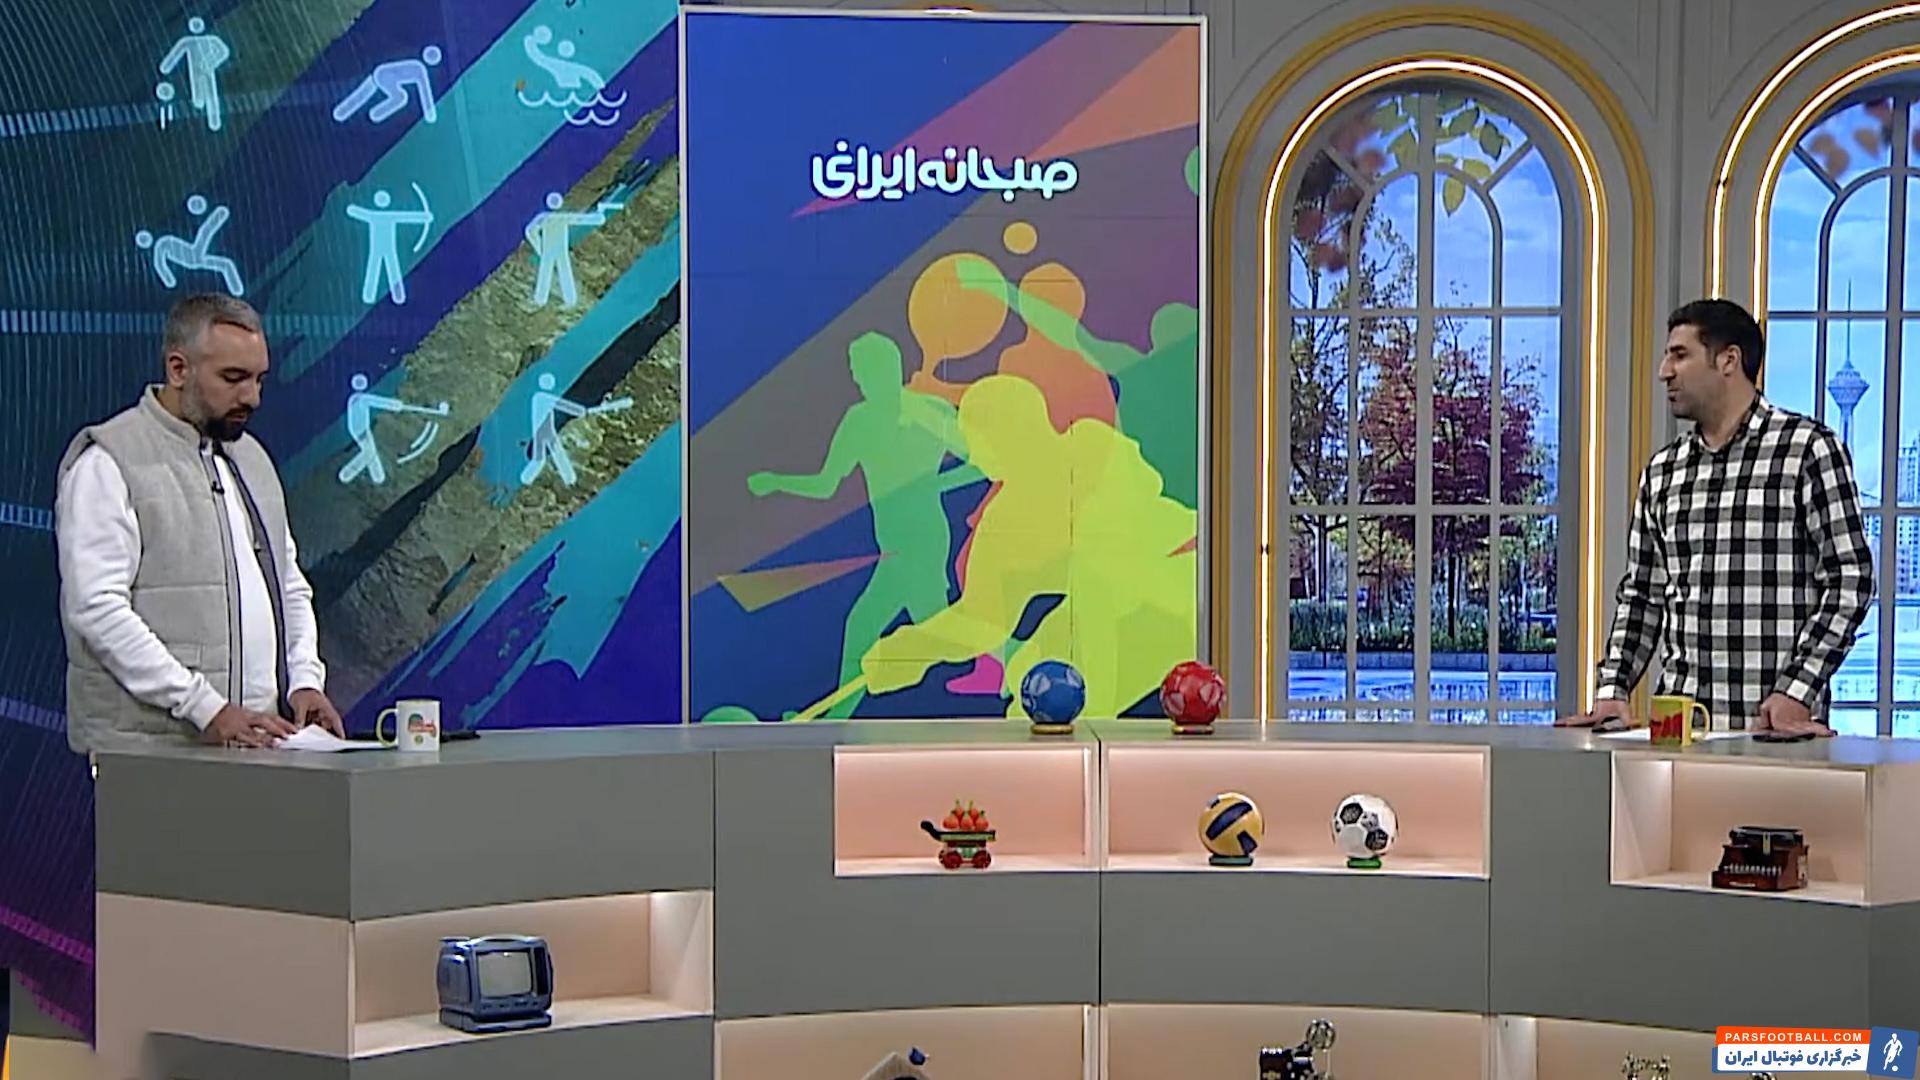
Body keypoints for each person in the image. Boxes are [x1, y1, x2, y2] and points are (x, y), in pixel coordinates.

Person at [1560, 299, 1873, 736]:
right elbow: (1642, 594)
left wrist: (1797, 691)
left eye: (1679, 355)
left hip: (1775, 734)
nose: (1664, 372)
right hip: (1677, 736)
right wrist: (1613, 688)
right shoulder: (1663, 471)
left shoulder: (1807, 450)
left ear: (1729, 360)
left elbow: (1851, 579)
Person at [56, 293, 343, 753]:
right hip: (152, 753)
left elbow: (287, 584)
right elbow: (97, 609)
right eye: (233, 378)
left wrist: (305, 679)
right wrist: (205, 707)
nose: (251, 397)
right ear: (178, 369)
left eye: (258, 379)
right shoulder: (110, 462)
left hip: (259, 742)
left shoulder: (251, 459)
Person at [859, 374, 1195, 719]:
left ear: (1013, 430)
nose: (974, 458)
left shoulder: (1091, 445)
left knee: (1064, 684)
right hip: (1108, 614)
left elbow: (1107, 564)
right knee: (1027, 680)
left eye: (979, 441)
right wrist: (911, 649)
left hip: (1179, 587)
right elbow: (981, 619)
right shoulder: (1003, 521)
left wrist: (1095, 703)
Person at [749, 332, 975, 718]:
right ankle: (834, 720)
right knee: (919, 630)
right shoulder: (858, 421)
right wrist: (776, 481)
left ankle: (1016, 654)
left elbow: (979, 459)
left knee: (911, 630)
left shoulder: (928, 411)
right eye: (856, 373)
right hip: (893, 543)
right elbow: (825, 485)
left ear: (889, 367)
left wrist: (934, 484)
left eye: (865, 370)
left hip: (923, 540)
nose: (859, 380)